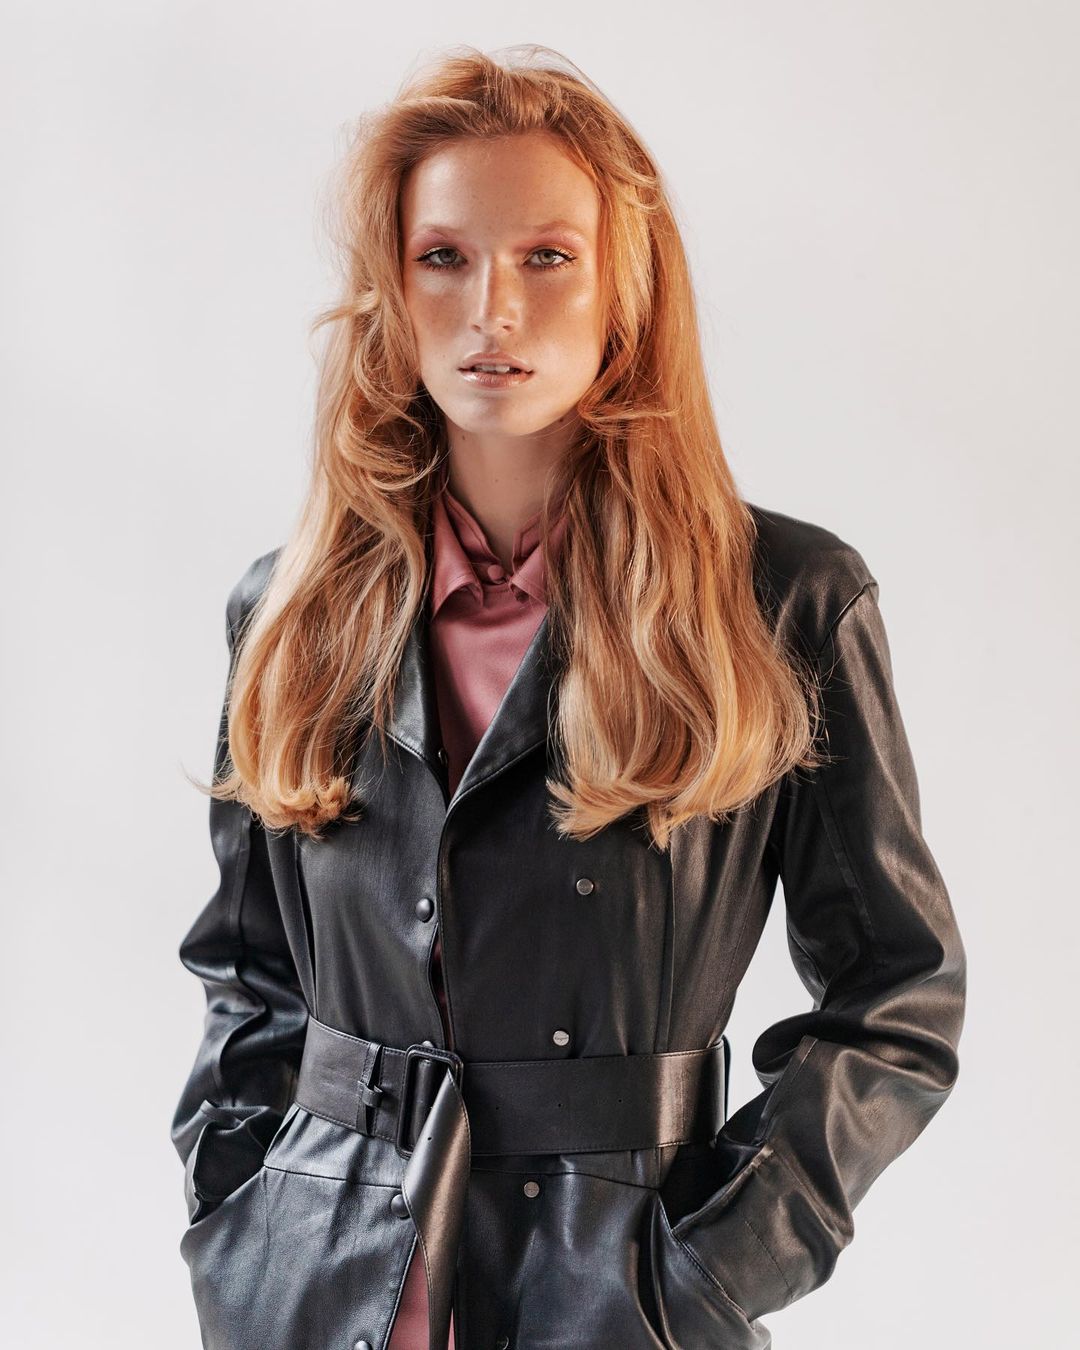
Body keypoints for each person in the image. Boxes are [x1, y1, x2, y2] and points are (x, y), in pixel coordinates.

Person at [170, 44, 967, 1350]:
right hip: (319, 1292)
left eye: (547, 256)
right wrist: (238, 1207)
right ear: (391, 290)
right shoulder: (290, 608)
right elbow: (246, 970)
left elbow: (900, 990)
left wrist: (718, 1264)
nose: (493, 308)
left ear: (623, 293)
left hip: (615, 1299)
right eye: (443, 257)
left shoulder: (781, 602)